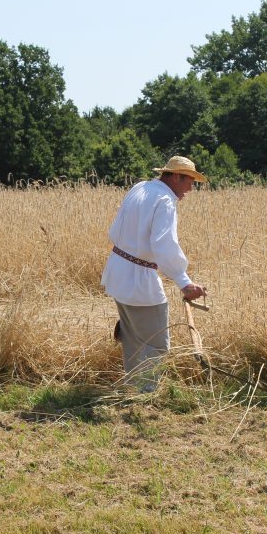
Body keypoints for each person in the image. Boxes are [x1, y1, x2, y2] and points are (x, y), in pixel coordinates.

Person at [101, 155, 208, 391]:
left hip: (118, 272)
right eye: (189, 180)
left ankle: (134, 389)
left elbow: (116, 229)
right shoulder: (165, 200)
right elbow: (164, 245)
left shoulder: (140, 188)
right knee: (157, 344)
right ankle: (146, 394)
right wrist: (185, 283)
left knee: (133, 339)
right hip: (139, 282)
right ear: (176, 177)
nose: (191, 187)